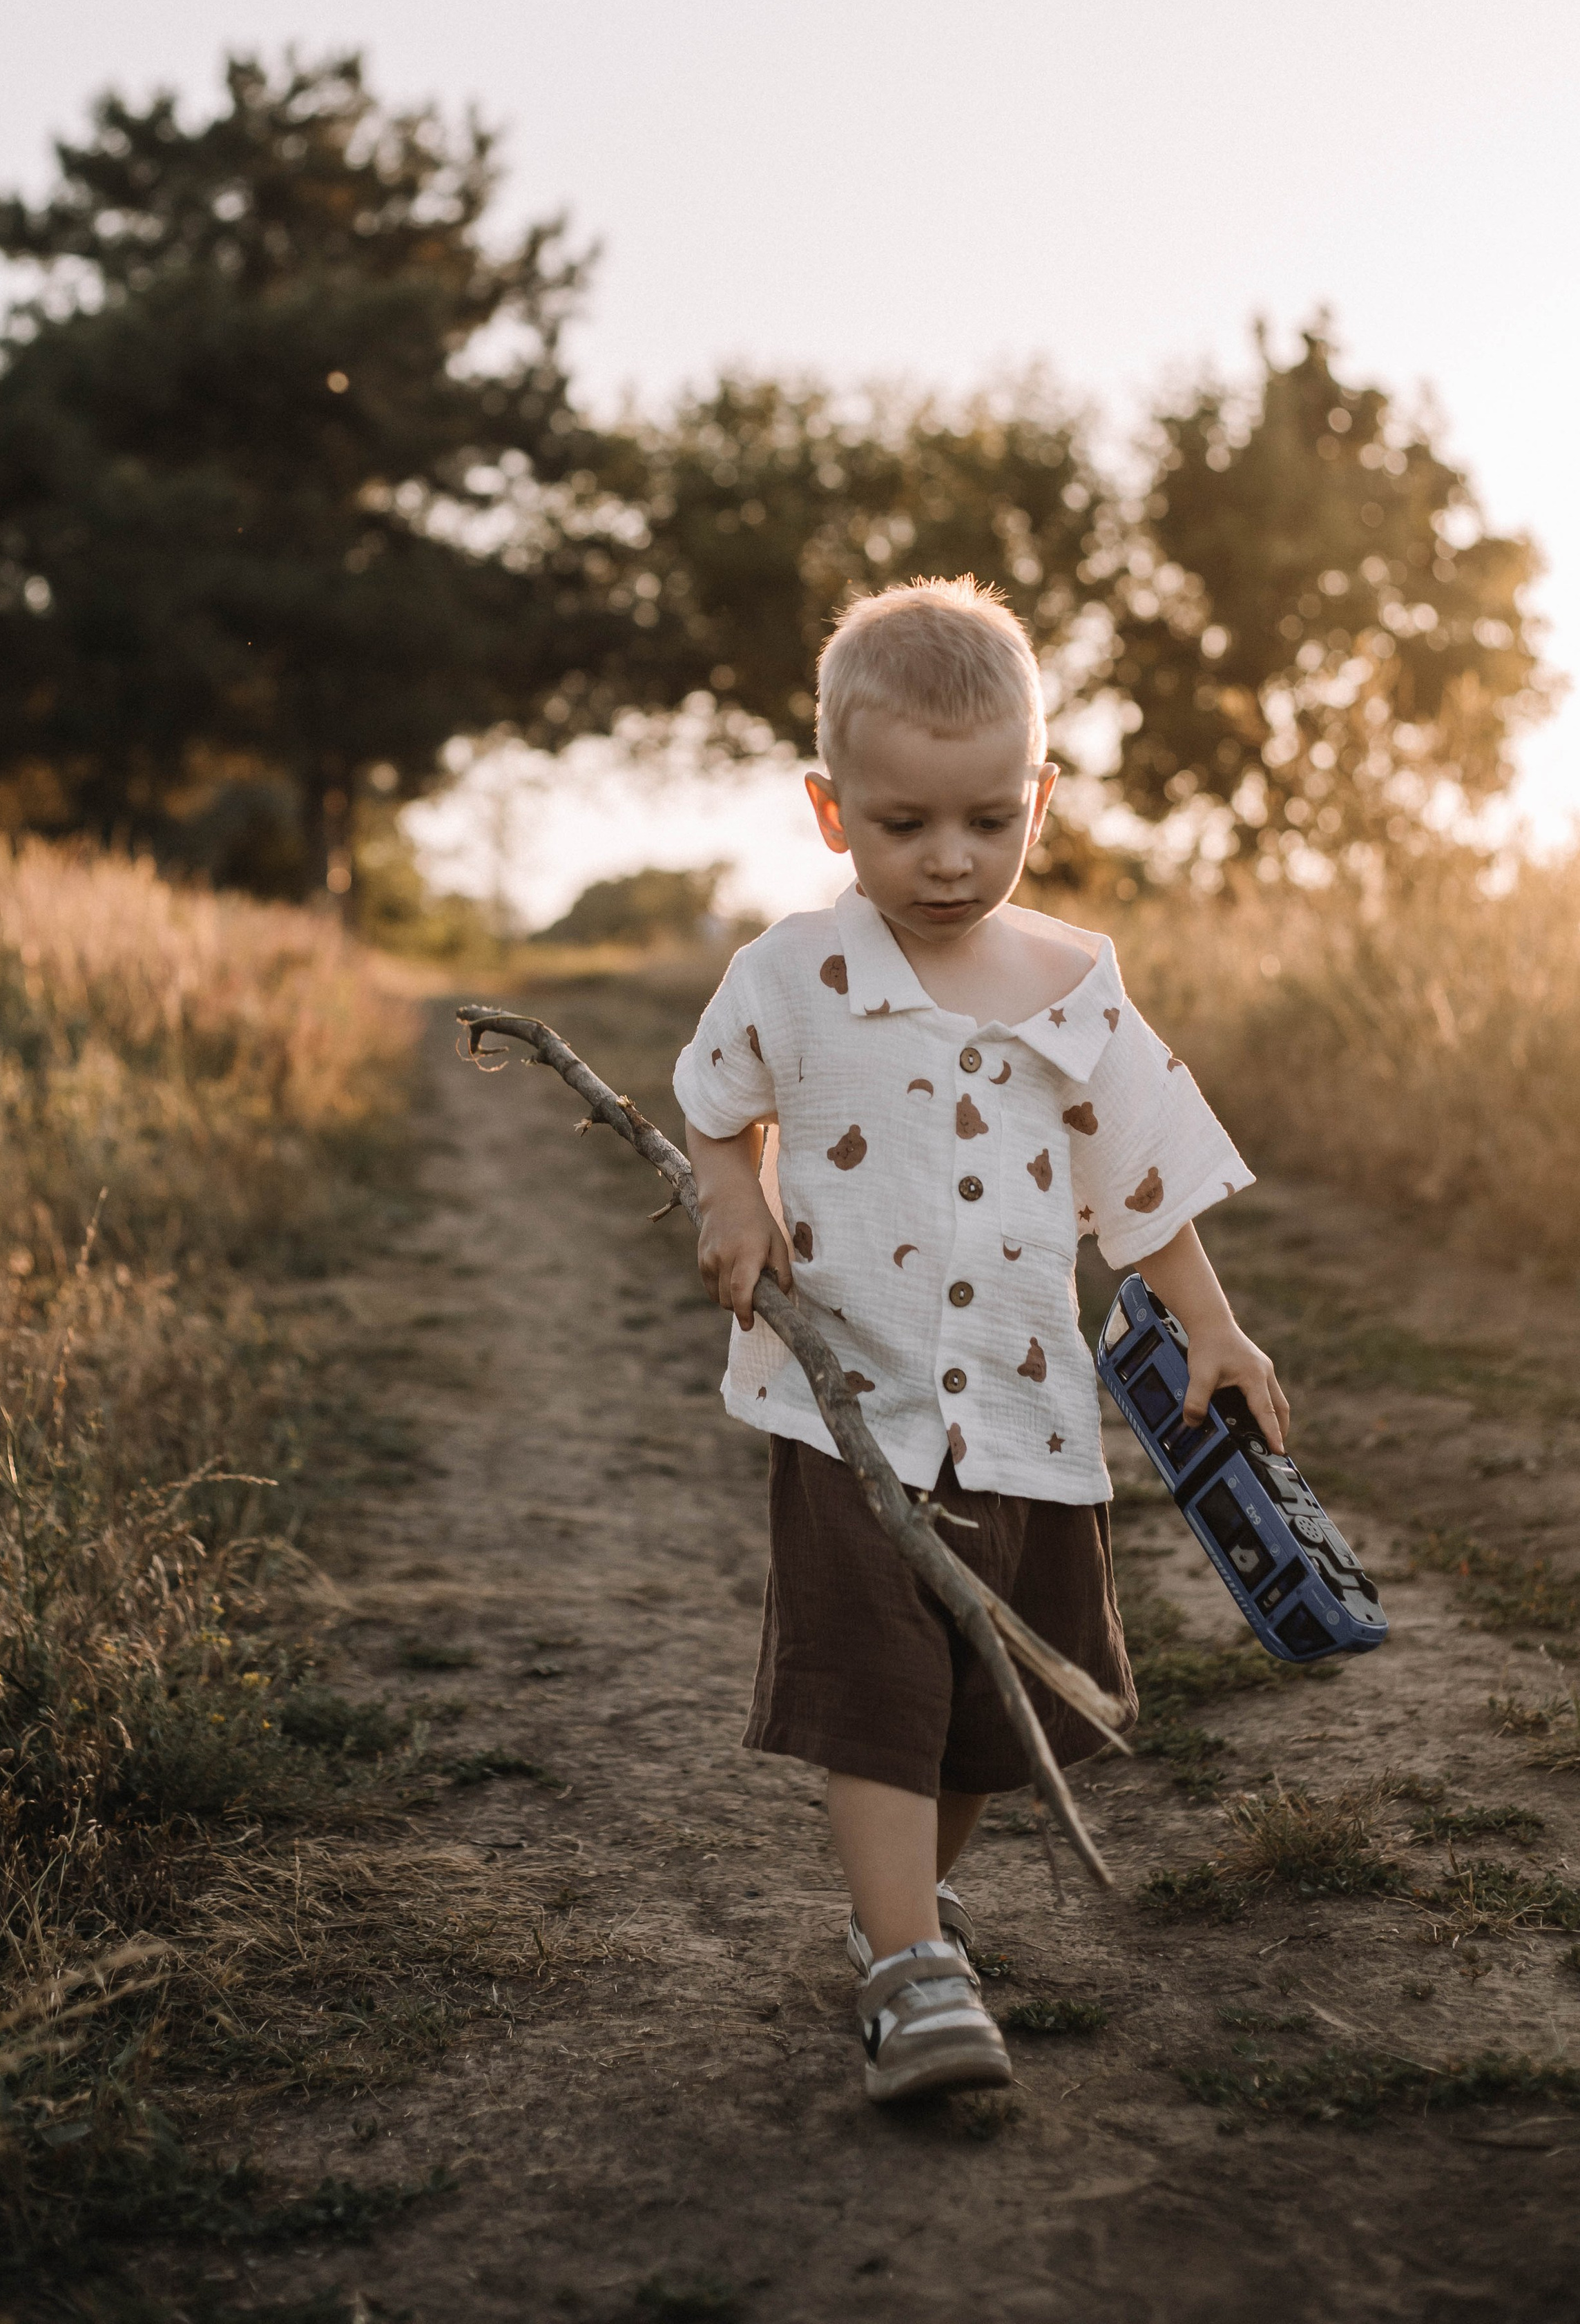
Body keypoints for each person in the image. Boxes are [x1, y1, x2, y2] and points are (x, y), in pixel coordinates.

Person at [672, 577, 1289, 2104]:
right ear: (830, 811)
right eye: (902, 825)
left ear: (1040, 800)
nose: (947, 859)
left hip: (1021, 1413)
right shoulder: (790, 976)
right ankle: (905, 1969)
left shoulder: (1074, 986)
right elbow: (713, 1103)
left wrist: (1210, 1326)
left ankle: (916, 1906)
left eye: (987, 821)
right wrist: (735, 1195)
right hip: (851, 1408)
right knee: (875, 1684)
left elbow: (1141, 1180)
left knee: (979, 1704)